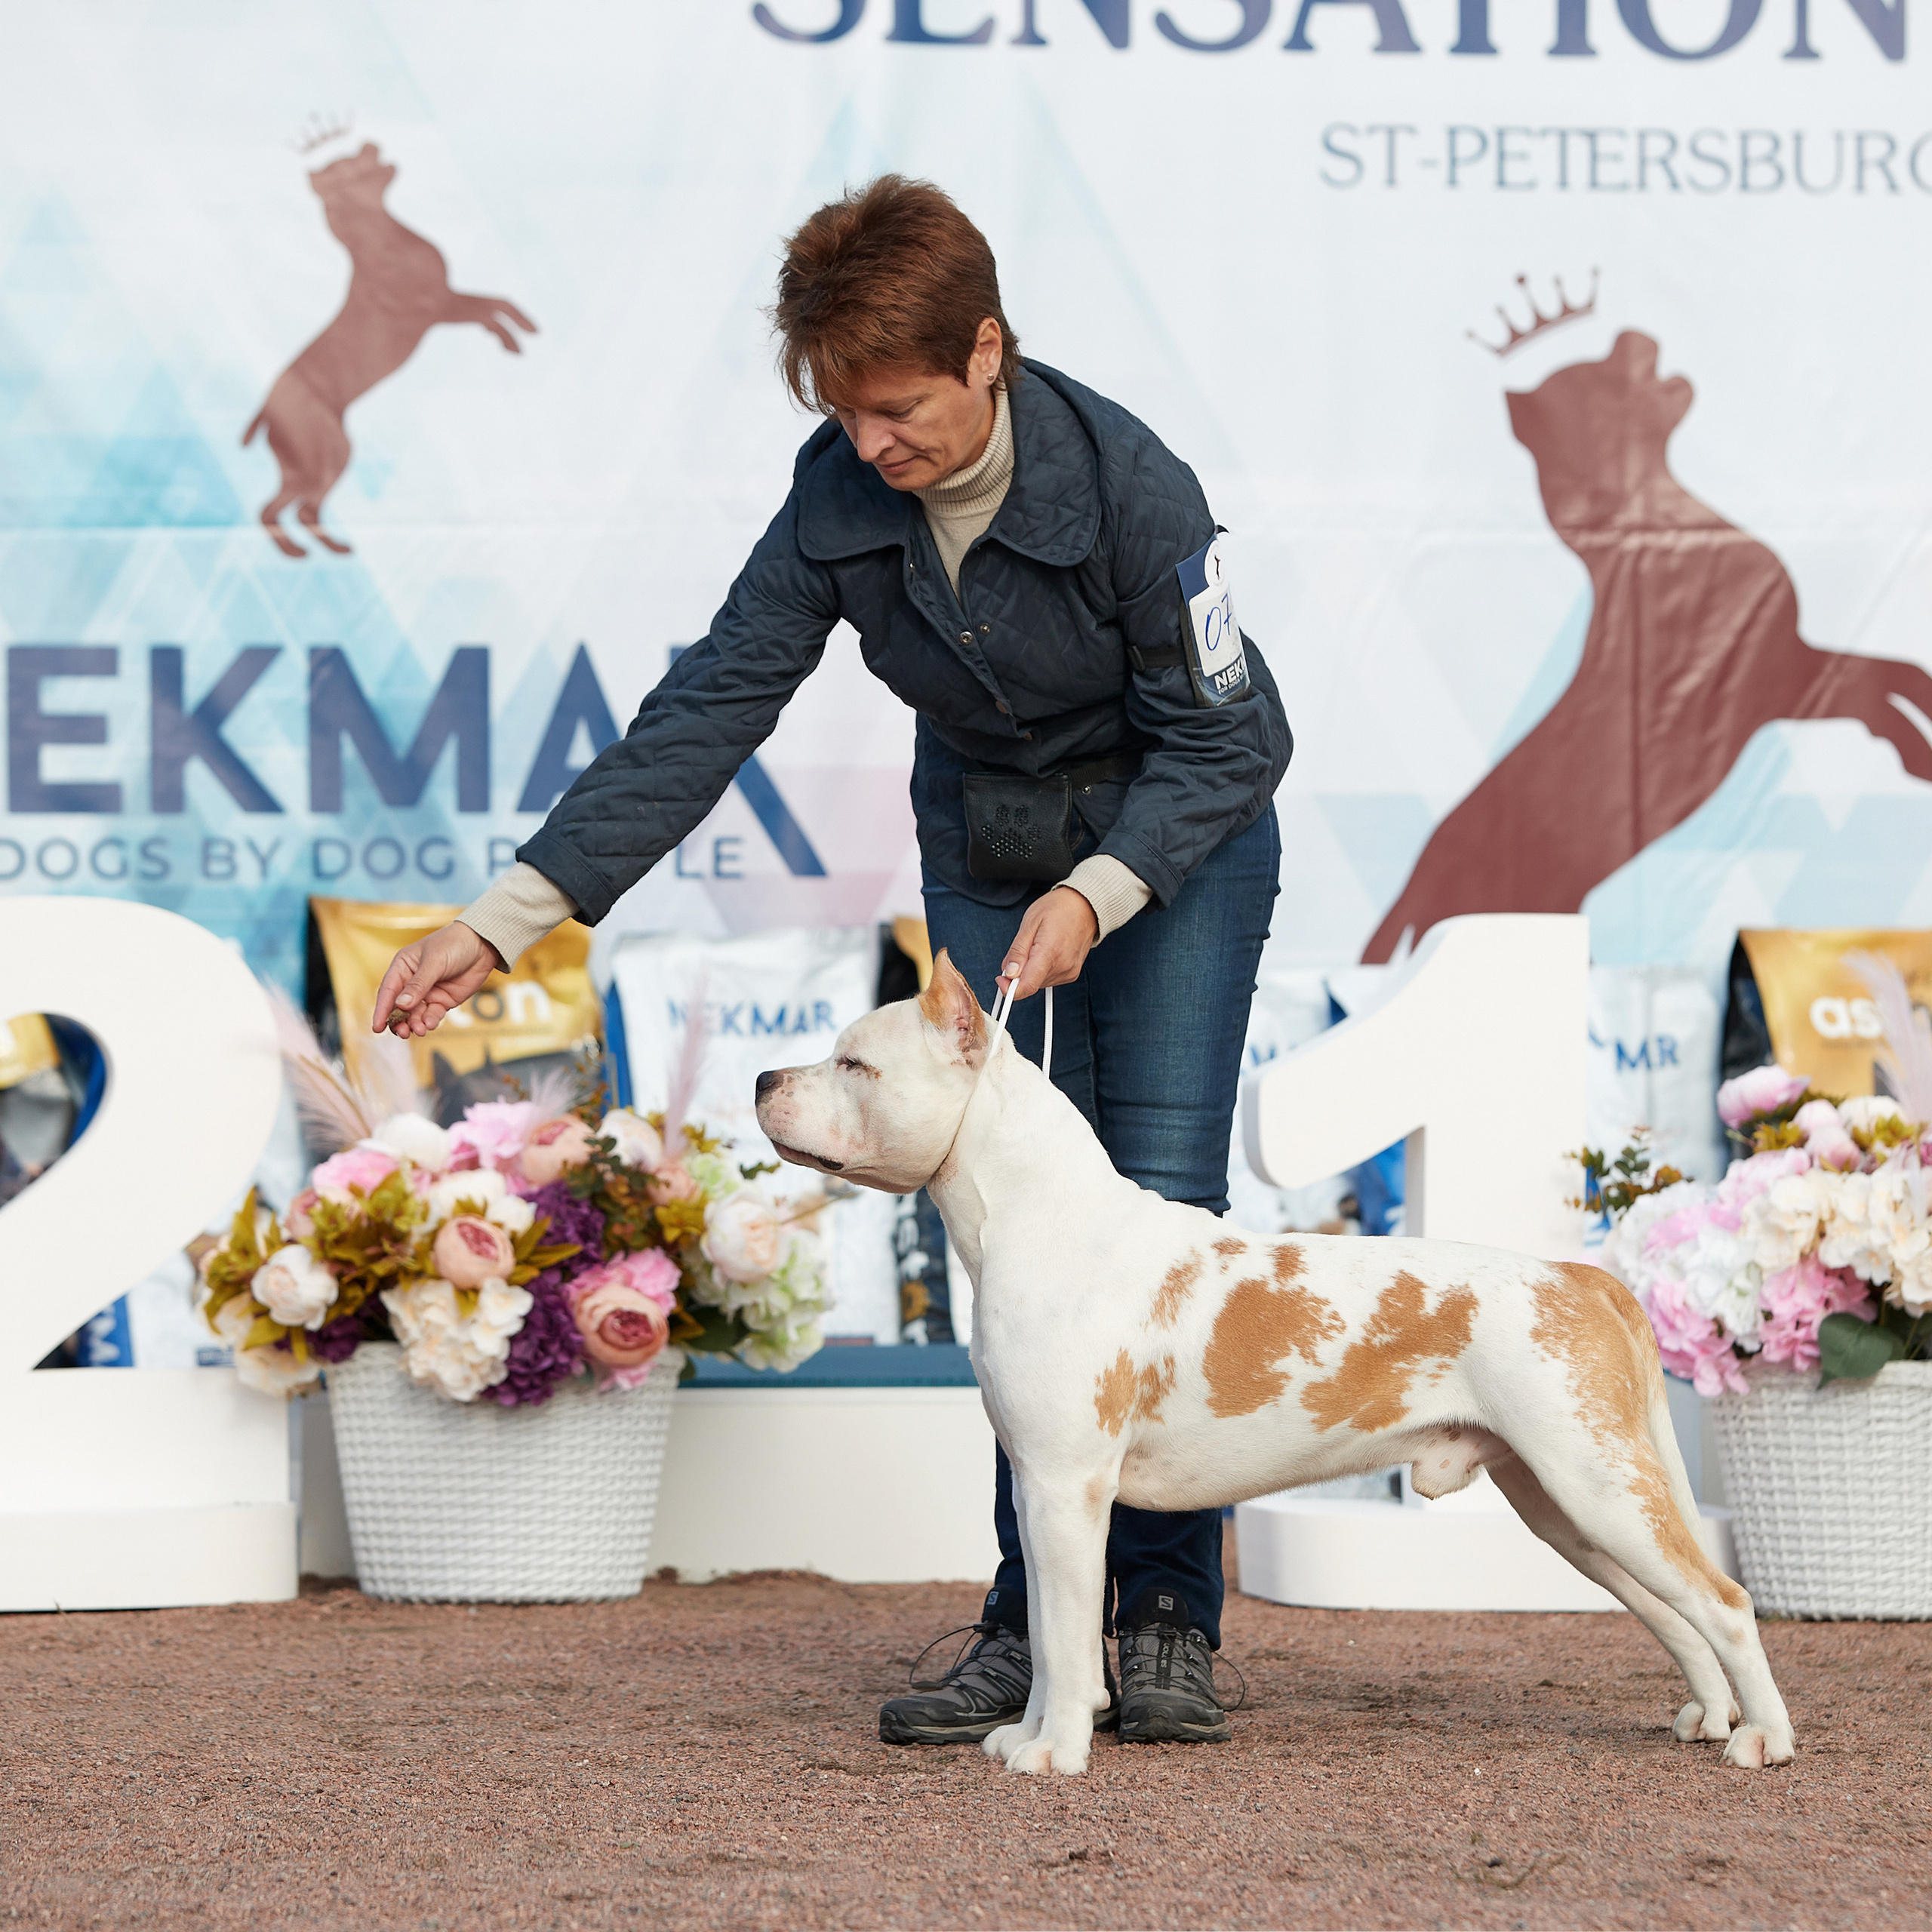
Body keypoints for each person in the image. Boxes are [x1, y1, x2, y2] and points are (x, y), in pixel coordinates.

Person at [372, 177, 1292, 1747]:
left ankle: (1162, 1620)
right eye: (843, 414)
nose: (872, 446)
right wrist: (505, 911)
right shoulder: (835, 494)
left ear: (985, 348)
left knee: (1150, 1205)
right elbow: (708, 707)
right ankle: (1028, 1630)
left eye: (897, 409)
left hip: (1172, 851)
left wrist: (1104, 885)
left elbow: (1227, 735)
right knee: (1010, 1246)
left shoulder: (1134, 486)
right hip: (992, 855)